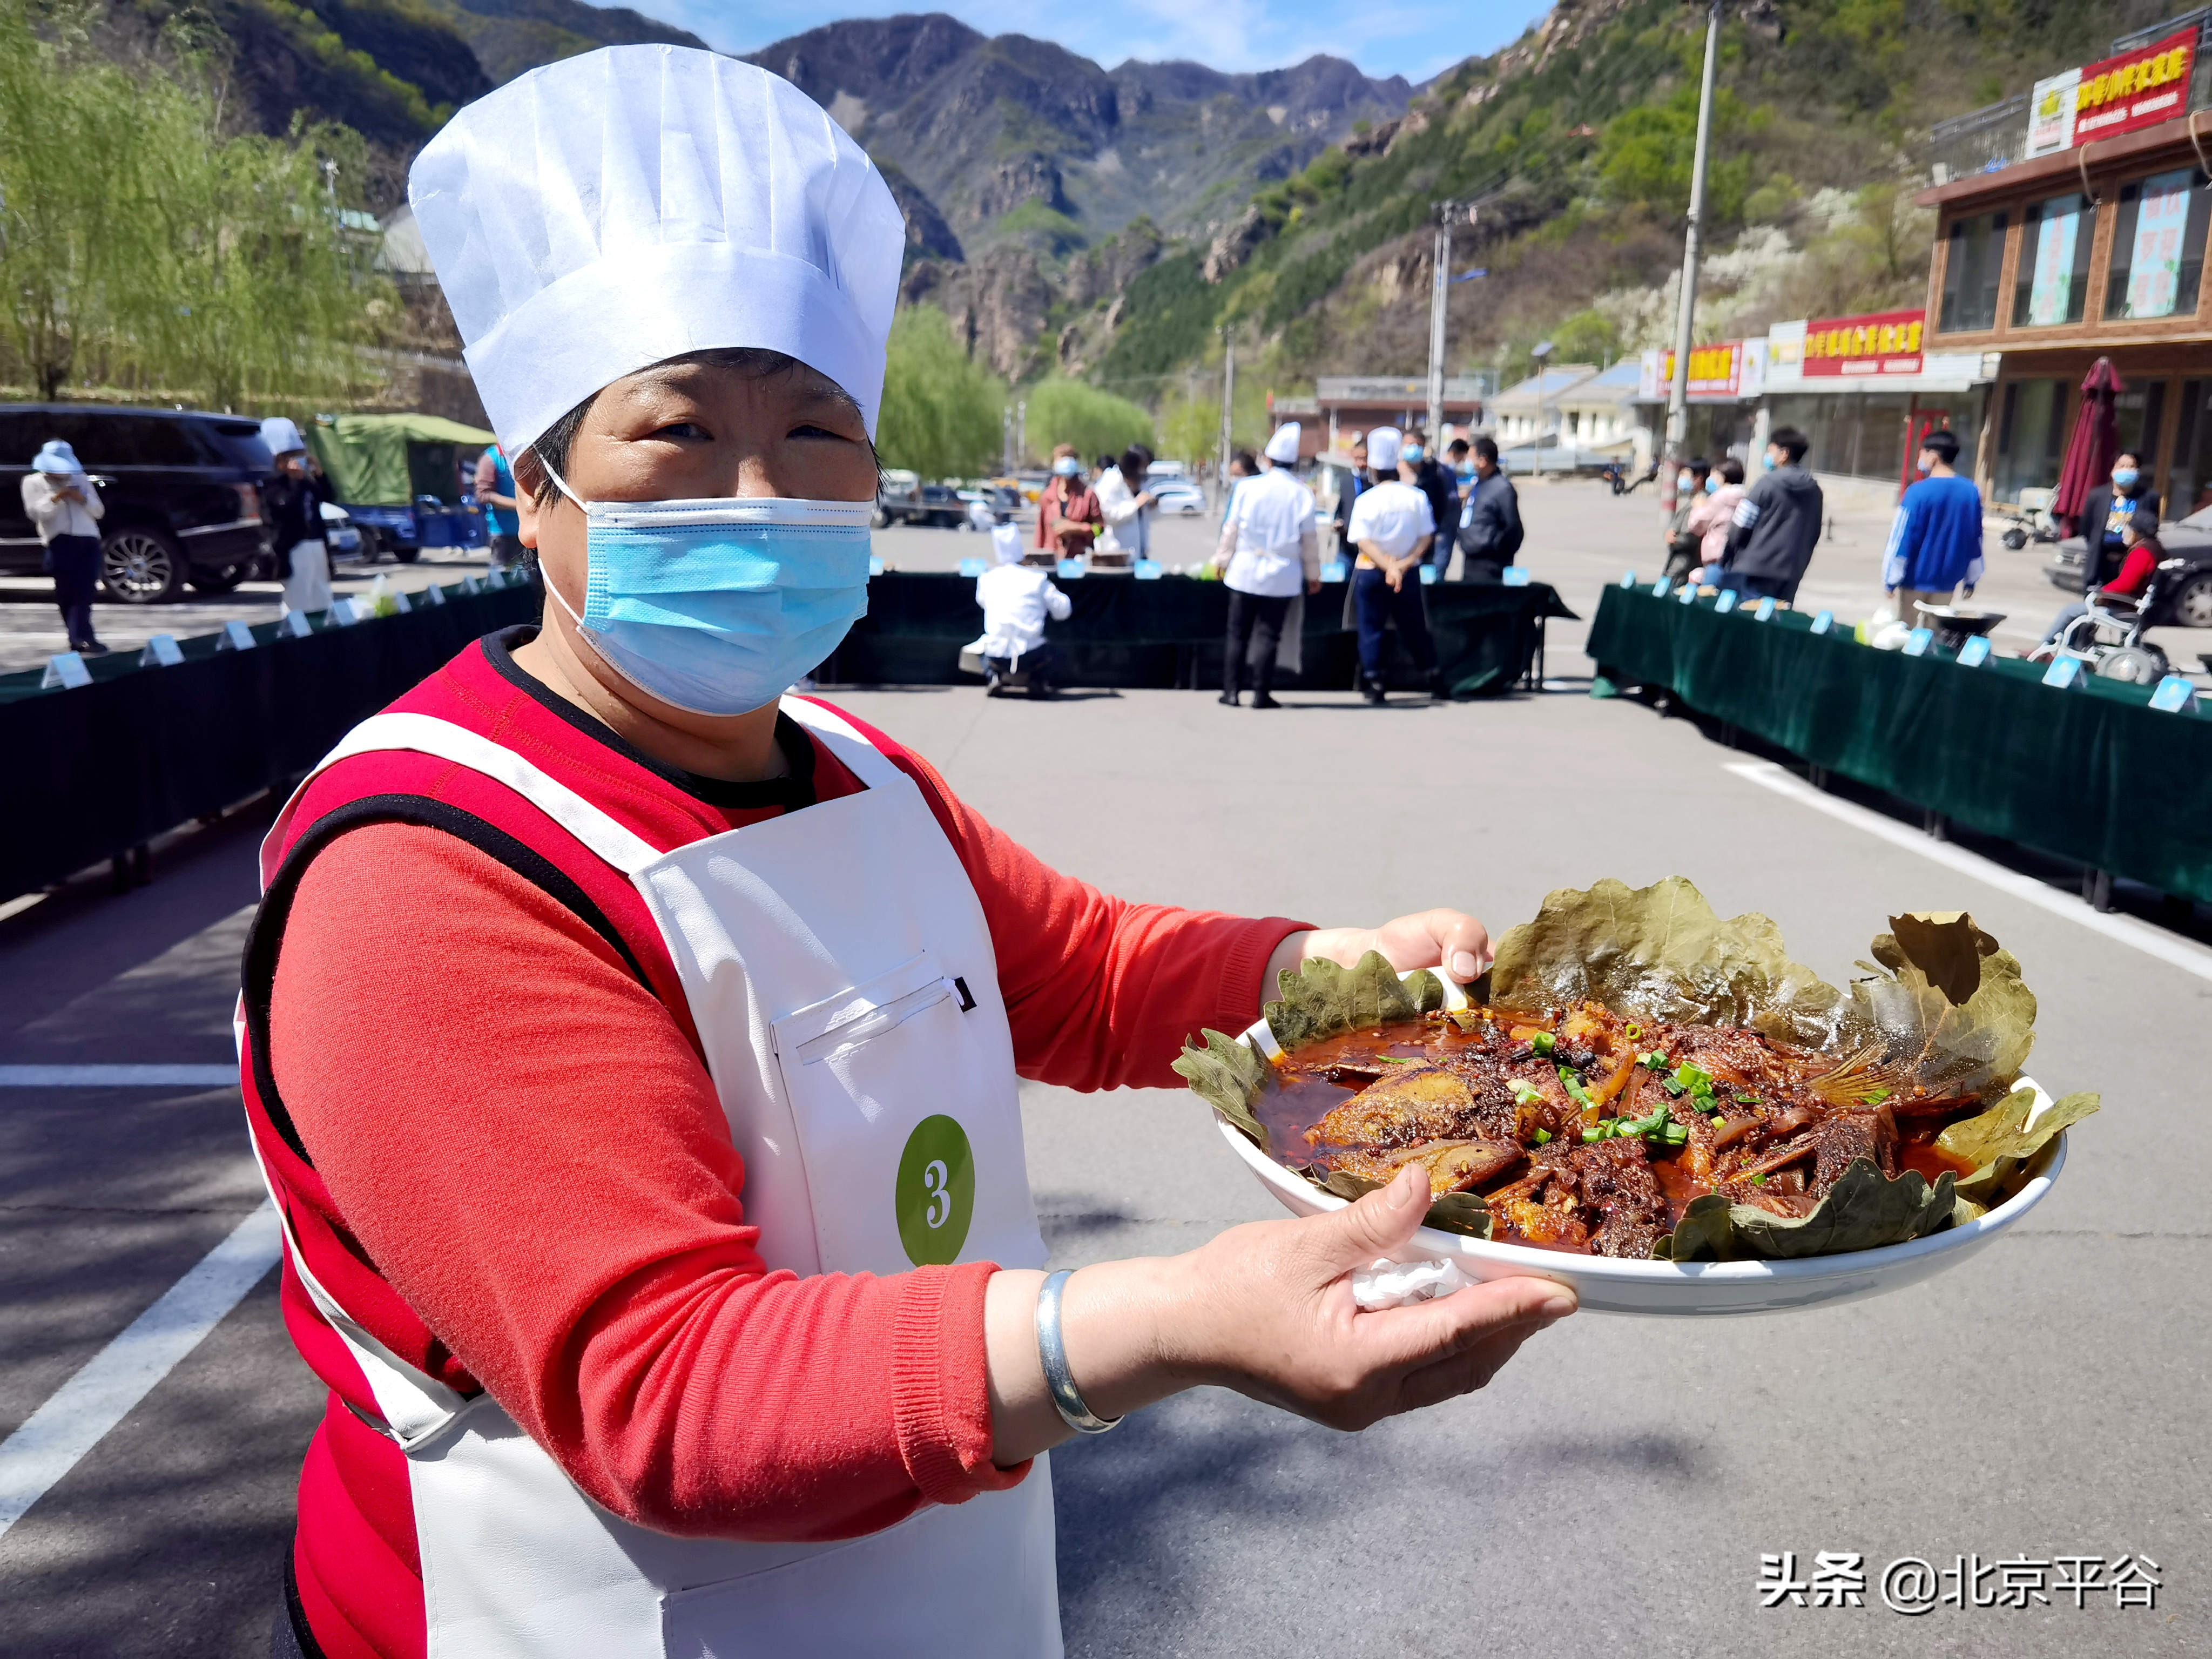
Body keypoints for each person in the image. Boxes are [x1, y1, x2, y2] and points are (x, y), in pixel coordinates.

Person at [242, 49, 1570, 1659]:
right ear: (532, 489)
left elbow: (1082, 972)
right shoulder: (431, 870)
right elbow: (662, 1387)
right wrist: (1161, 1325)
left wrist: (1331, 972)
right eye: (675, 434)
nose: (760, 492)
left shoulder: (862, 768)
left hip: (939, 1590)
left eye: (814, 432)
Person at [1213, 424, 1320, 707]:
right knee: (1269, 634)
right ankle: (1261, 693)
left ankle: (1232, 691)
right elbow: (1309, 541)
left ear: (1268, 460)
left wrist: (1222, 560)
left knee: (1238, 633)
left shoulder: (1247, 487)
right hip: (1282, 574)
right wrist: (1314, 575)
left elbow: (1231, 529)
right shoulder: (1302, 494)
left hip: (1245, 569)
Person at [1345, 426, 1439, 703]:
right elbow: (1426, 536)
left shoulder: (1366, 500)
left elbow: (1362, 540)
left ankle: (1375, 681)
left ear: (1373, 468)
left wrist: (1388, 566)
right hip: (1407, 573)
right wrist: (1403, 565)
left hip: (1373, 572)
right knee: (1415, 627)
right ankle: (1433, 674)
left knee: (1371, 628)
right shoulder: (1415, 497)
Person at [1882, 429, 1985, 620]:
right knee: (1933, 636)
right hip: (1948, 581)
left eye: (1922, 453)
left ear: (1934, 456)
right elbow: (1975, 539)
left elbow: (1901, 538)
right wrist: (1971, 580)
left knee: (1906, 634)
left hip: (1914, 579)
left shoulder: (1917, 492)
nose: (1920, 458)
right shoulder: (1971, 493)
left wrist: (1890, 579)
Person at [1717, 426, 1823, 603]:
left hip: (1755, 570)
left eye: (1770, 450)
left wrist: (1727, 558)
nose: (1767, 455)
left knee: (1750, 622)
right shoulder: (1814, 490)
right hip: (1791, 572)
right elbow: (1815, 532)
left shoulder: (1767, 484)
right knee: (1776, 621)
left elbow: (1740, 526)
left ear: (1784, 454)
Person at [2036, 507, 2163, 651]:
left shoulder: (2142, 553)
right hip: (2137, 606)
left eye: (2129, 529)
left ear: (2137, 533)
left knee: (2070, 611)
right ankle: (2072, 646)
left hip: (2127, 609)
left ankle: (2045, 648)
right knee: (2080, 611)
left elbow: (2126, 585)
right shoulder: (2157, 549)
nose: (2125, 532)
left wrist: (2101, 594)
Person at [21, 439, 106, 655]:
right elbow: (36, 513)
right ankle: (77, 636)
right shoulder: (33, 482)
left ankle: (84, 637)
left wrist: (81, 498)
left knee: (86, 590)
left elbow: (98, 511)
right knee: (67, 591)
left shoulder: (80, 478)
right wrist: (57, 497)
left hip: (88, 538)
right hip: (60, 541)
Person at [970, 516, 1071, 696]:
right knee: (1058, 652)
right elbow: (1063, 611)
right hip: (1031, 654)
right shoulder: (1038, 579)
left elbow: (982, 602)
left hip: (996, 654)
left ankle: (993, 676)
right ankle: (1037, 680)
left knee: (982, 645)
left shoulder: (987, 578)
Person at [259, 417, 335, 617]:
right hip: (293, 546)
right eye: (292, 457)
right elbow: (286, 507)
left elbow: (327, 497)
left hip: (317, 543)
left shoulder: (306, 482)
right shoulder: (274, 484)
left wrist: (319, 474)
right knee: (298, 599)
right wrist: (296, 482)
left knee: (321, 596)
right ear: (280, 461)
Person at [2073, 450, 2160, 591]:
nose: (2126, 470)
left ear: (2138, 471)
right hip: (2100, 562)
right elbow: (2086, 528)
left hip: (2130, 564)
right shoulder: (2097, 496)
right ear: (2113, 469)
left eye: (2131, 467)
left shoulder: (2149, 497)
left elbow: (2151, 529)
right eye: (2122, 466)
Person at [1454, 436, 1523, 583]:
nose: (1468, 462)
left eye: (1471, 458)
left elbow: (1513, 528)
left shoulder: (1502, 488)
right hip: (1471, 559)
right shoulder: (1479, 483)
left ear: (1483, 461)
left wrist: (1498, 549)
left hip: (1490, 564)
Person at [1402, 433, 1460, 582]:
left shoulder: (1436, 473)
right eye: (1409, 445)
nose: (1413, 449)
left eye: (1417, 445)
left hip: (1430, 541)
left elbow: (1445, 506)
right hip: (1402, 542)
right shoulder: (1394, 473)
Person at [1035, 446, 1101, 562]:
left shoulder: (1088, 495)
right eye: (1061, 458)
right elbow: (1040, 533)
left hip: (1080, 560)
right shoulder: (1047, 496)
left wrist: (1077, 528)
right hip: (1051, 560)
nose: (1065, 462)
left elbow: (1100, 529)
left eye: (1069, 458)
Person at [1095, 442, 1156, 565]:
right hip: (1115, 555)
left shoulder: (1141, 482)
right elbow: (1109, 515)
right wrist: (1136, 504)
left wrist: (1152, 505)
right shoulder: (1110, 482)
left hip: (1139, 556)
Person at [1685, 457, 1744, 580]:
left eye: (1714, 475)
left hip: (1716, 559)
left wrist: (1698, 507)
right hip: (1737, 559)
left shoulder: (1719, 498)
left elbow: (1696, 525)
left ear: (1723, 477)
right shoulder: (1744, 497)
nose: (1710, 480)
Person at [475, 441, 528, 574]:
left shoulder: (525, 455)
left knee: (530, 581)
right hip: (503, 535)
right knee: (501, 578)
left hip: (527, 532)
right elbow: (484, 495)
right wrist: (518, 505)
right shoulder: (491, 458)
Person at [1662, 458, 1712, 581]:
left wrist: (1675, 540)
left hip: (1686, 563)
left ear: (1698, 478)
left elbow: (1692, 535)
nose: (1681, 479)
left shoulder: (1702, 501)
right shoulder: (1692, 499)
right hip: (1679, 559)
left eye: (1685, 475)